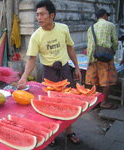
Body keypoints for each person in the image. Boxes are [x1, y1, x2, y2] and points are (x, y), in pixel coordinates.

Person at [17, 0, 82, 144]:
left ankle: (69, 131)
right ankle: (51, 133)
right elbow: (32, 59)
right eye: (37, 15)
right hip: (49, 74)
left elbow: (70, 48)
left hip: (65, 70)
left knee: (68, 103)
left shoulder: (63, 28)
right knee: (50, 105)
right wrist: (24, 77)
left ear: (52, 15)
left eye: (42, 14)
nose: (38, 18)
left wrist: (77, 67)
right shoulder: (36, 36)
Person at [85, 9, 118, 109]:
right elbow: (115, 42)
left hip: (92, 57)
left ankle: (93, 101)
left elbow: (89, 44)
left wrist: (89, 59)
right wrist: (114, 51)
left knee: (92, 80)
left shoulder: (91, 28)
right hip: (105, 57)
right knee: (106, 81)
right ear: (104, 16)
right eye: (107, 16)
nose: (107, 17)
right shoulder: (110, 25)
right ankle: (103, 102)